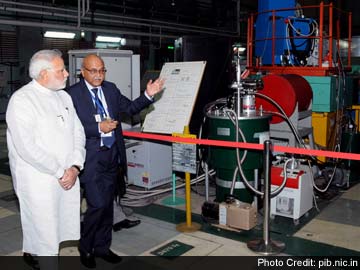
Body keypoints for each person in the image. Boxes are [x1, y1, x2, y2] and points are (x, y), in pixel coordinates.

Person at [68, 54, 164, 268]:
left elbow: (129, 109)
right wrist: (97, 128)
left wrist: (148, 95)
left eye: (102, 70)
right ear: (82, 71)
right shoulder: (72, 95)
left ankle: (102, 247)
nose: (98, 75)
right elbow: (66, 128)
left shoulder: (110, 89)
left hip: (112, 155)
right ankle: (86, 247)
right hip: (90, 158)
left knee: (108, 206)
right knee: (97, 205)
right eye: (93, 71)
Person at [6, 49, 86, 268]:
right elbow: (26, 147)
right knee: (44, 229)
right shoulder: (22, 100)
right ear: (43, 74)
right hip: (39, 178)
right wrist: (61, 171)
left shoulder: (64, 96)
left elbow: (77, 132)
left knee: (56, 225)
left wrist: (76, 165)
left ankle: (34, 253)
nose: (68, 74)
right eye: (61, 70)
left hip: (67, 174)